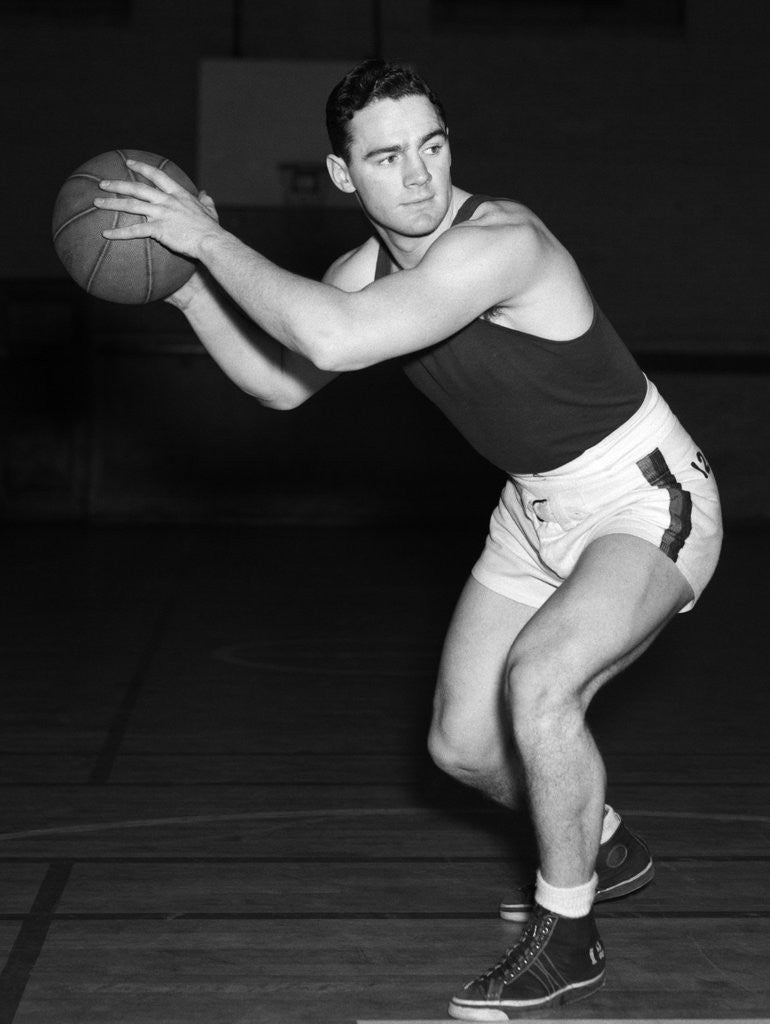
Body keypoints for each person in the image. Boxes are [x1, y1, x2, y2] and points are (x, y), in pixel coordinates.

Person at [93, 58, 723, 1018]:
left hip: (641, 497)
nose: (420, 175)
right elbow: (283, 380)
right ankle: (598, 838)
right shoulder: (364, 271)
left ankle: (569, 936)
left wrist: (211, 240)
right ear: (346, 176)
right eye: (388, 158)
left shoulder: (500, 244)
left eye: (432, 146)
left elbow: (336, 339)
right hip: (533, 508)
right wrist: (184, 287)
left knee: (542, 683)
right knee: (463, 746)